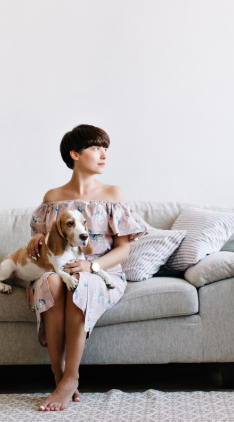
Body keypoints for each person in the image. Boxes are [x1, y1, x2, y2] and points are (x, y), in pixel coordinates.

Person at [24, 124, 148, 411]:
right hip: (60, 270)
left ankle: (71, 377)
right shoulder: (53, 197)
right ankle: (58, 373)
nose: (103, 154)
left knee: (80, 280)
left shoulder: (112, 194)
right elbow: (40, 235)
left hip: (100, 273)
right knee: (51, 282)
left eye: (105, 149)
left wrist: (90, 265)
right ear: (75, 154)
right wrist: (39, 237)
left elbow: (123, 250)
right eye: (95, 148)